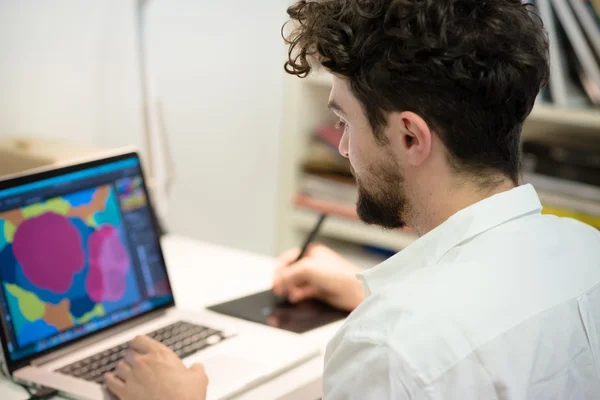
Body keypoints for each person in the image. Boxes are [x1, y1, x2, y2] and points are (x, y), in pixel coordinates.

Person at [104, 0, 600, 398]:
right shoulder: (586, 252)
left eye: (345, 122)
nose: (342, 147)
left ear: (410, 137)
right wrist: (363, 291)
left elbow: (431, 346)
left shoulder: (388, 347)